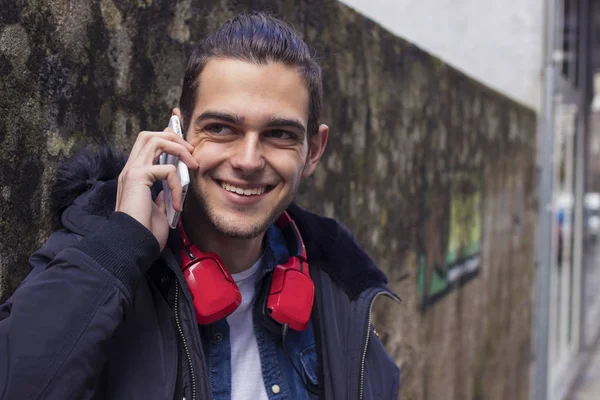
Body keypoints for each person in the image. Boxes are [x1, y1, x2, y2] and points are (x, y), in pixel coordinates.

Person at [0, 12, 400, 400]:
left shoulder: (342, 284)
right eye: (221, 128)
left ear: (313, 151)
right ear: (178, 132)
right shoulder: (95, 253)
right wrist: (120, 245)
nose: (247, 161)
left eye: (279, 134)